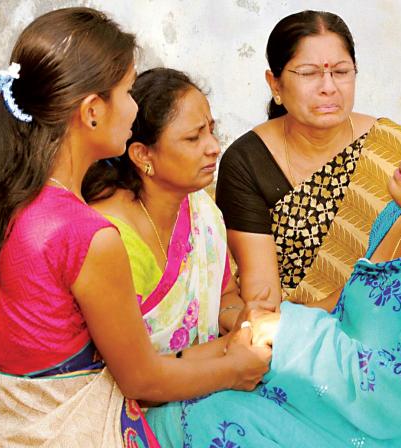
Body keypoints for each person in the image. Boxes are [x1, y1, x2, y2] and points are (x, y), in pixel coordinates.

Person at [147, 108, 401, 446]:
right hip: (336, 403)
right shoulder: (392, 218)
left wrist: (290, 333)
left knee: (204, 420)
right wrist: (271, 325)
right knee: (194, 402)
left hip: (379, 433)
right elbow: (346, 310)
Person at [0, 8, 264, 446]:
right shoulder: (88, 235)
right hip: (69, 428)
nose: (135, 107)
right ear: (92, 112)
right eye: (129, 91)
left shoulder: (6, 198)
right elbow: (143, 379)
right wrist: (235, 369)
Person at [215, 10, 401, 313]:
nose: (328, 87)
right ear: (275, 84)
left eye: (340, 71)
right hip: (286, 332)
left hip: (385, 318)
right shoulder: (247, 162)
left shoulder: (392, 146)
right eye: (309, 73)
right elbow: (262, 296)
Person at [82, 68, 269, 354]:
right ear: (143, 155)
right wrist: (228, 359)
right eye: (194, 138)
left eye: (211, 130)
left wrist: (243, 318)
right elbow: (130, 372)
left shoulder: (200, 210)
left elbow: (226, 295)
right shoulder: (107, 236)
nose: (214, 147)